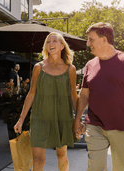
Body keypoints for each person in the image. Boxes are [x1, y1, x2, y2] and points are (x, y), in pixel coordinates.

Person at [74, 22, 124, 171]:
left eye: (91, 39)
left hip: (121, 126)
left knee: (121, 168)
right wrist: (77, 119)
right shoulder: (90, 65)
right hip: (95, 125)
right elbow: (84, 94)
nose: (87, 43)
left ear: (104, 39)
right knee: (95, 167)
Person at [14, 32, 78, 171]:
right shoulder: (38, 67)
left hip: (63, 118)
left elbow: (73, 96)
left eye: (55, 41)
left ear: (62, 46)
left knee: (61, 155)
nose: (51, 44)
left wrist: (78, 119)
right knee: (38, 159)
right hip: (40, 117)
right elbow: (31, 94)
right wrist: (21, 119)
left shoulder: (70, 69)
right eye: (48, 42)